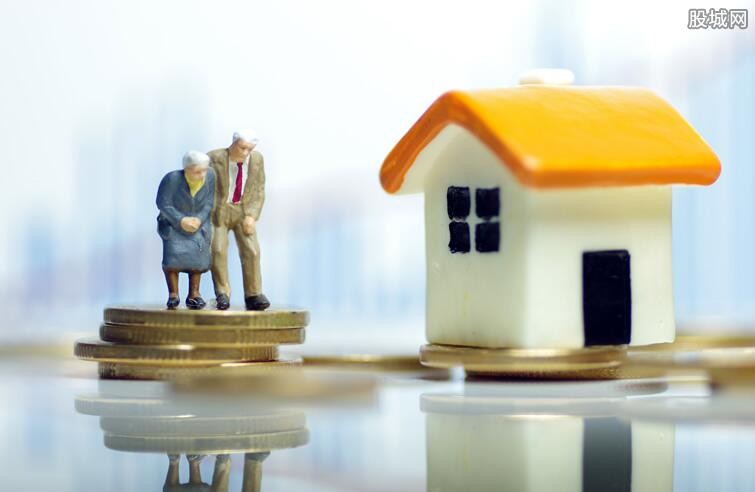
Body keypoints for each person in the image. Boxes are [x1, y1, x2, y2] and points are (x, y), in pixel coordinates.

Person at [208, 129, 270, 311]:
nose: (245, 152)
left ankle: (253, 294)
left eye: (249, 149)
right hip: (219, 211)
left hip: (244, 210)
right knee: (217, 250)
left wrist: (252, 215)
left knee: (252, 250)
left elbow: (259, 189)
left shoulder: (257, 160)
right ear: (233, 143)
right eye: (242, 148)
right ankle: (222, 293)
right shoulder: (214, 158)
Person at [156, 150, 216, 309]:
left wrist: (199, 219)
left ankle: (194, 294)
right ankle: (173, 294)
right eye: (197, 171)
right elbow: (163, 203)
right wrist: (180, 220)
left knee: (197, 260)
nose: (202, 175)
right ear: (187, 169)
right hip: (174, 224)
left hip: (198, 224)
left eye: (204, 170)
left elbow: (209, 203)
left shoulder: (210, 176)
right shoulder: (172, 179)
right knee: (172, 260)